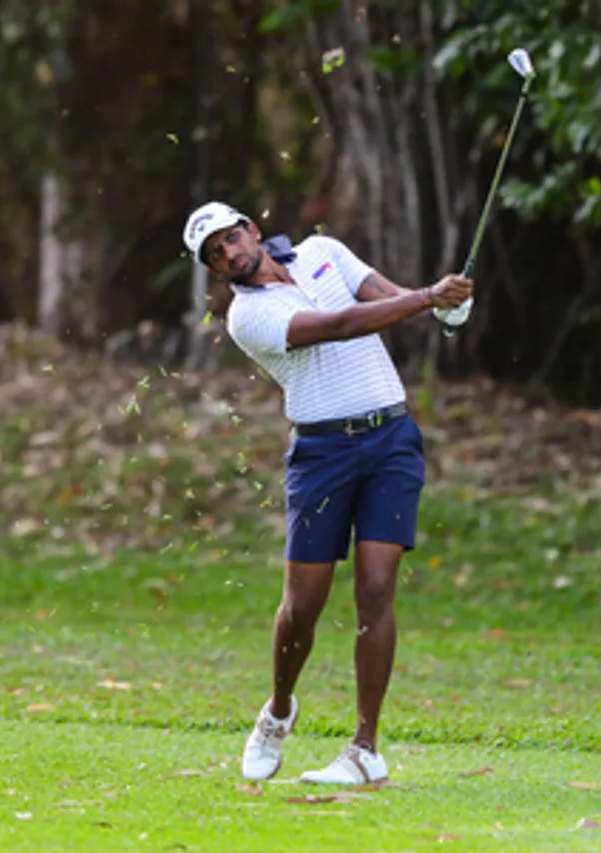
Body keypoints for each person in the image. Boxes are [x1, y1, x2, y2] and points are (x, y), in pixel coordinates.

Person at [181, 201, 473, 785]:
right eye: (215, 254)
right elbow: (338, 327)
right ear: (214, 270)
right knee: (304, 606)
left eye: (231, 238)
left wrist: (446, 306)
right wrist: (428, 299)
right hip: (322, 456)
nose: (230, 254)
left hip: (391, 439)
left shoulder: (323, 253)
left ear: (252, 229)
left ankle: (366, 749)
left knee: (375, 588)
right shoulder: (247, 317)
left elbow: (391, 295)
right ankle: (279, 709)